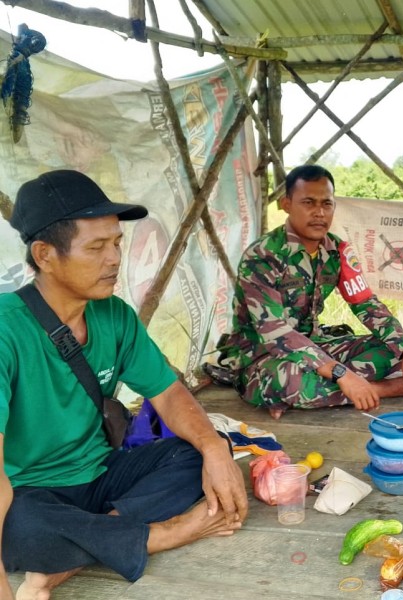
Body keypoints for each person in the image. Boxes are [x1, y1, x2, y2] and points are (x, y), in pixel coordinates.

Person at [0, 170, 248, 600]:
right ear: (45, 254)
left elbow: (168, 393)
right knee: (22, 529)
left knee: (196, 452)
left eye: (116, 243)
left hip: (101, 476)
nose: (114, 258)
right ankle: (164, 534)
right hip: (30, 492)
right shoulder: (6, 329)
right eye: (96, 247)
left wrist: (215, 450)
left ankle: (83, 548)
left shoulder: (114, 315)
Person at [226, 164, 403, 420]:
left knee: (391, 349)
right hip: (262, 357)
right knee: (290, 381)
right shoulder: (263, 256)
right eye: (308, 203)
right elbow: (275, 331)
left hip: (315, 346)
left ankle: (318, 394)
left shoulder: (337, 249)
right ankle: (379, 389)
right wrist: (342, 374)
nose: (319, 213)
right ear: (286, 204)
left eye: (327, 204)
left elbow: (365, 303)